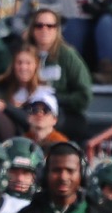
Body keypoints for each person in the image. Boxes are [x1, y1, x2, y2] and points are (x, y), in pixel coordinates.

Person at [18, 7, 92, 139]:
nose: (44, 30)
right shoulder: (23, 53)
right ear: (32, 29)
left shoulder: (68, 55)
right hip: (27, 110)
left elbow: (84, 97)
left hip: (60, 112)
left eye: (50, 26)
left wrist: (53, 97)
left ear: (57, 29)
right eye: (39, 25)